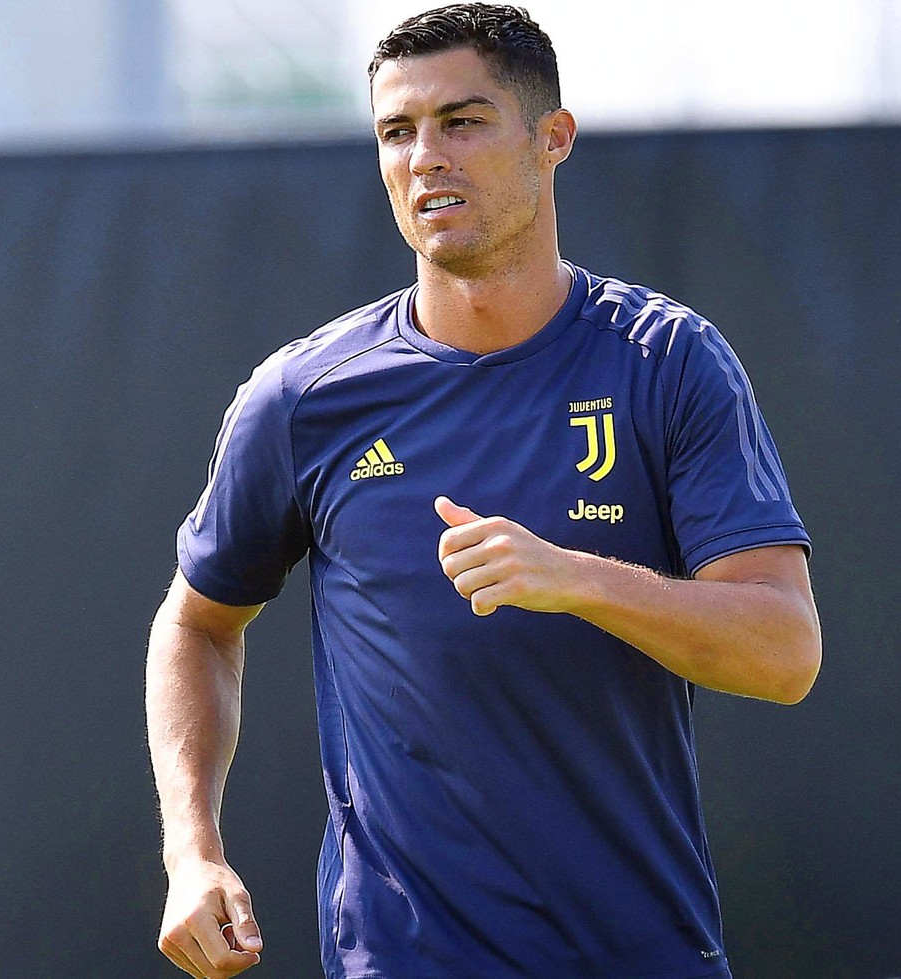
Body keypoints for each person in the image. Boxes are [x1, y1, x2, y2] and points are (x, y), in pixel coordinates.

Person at [146, 4, 822, 977]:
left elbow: (784, 652)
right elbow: (197, 623)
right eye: (396, 131)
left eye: (461, 121)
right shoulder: (303, 397)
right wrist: (192, 853)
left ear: (553, 139)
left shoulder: (668, 361)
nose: (426, 157)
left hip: (642, 955)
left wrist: (576, 577)